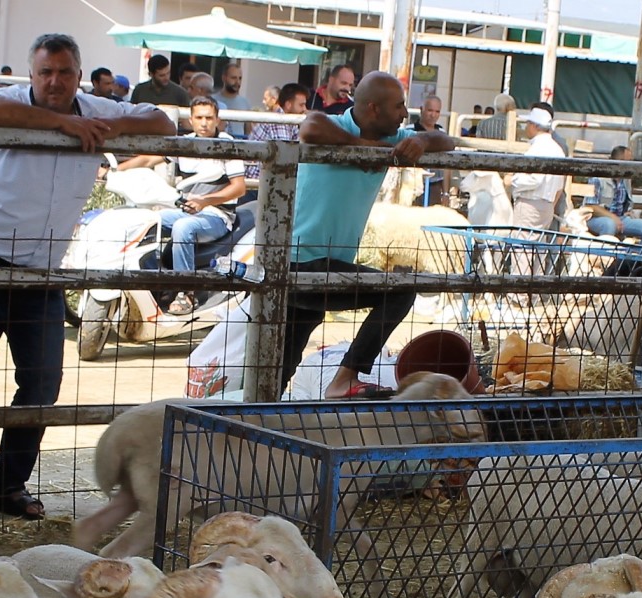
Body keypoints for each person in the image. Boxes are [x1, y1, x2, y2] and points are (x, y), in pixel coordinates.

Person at [0, 32, 169, 520]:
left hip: (43, 269)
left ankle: (10, 485)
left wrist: (100, 125)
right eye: (45, 72)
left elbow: (162, 120)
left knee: (43, 381)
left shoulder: (94, 108)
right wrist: (68, 124)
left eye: (65, 72)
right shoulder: (7, 100)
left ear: (79, 75)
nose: (54, 80)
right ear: (31, 74)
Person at [282, 71, 454, 399]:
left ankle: (255, 417)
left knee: (282, 363)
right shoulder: (335, 127)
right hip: (301, 262)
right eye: (399, 106)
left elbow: (448, 142)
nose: (405, 113)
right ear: (373, 108)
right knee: (399, 292)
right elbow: (310, 126)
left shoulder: (392, 139)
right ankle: (344, 378)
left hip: (328, 263)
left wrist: (422, 140)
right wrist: (363, 149)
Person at [152, 97, 245, 314]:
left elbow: (239, 188)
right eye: (199, 118)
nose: (204, 123)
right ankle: (148, 283)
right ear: (190, 120)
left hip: (217, 215)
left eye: (209, 118)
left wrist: (205, 201)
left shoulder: (228, 144)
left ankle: (186, 293)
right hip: (184, 211)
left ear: (217, 120)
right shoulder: (185, 143)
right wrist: (115, 168)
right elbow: (150, 158)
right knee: (149, 220)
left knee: (183, 228)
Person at [584, 145, 642, 246]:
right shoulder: (597, 178)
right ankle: (604, 258)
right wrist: (613, 217)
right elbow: (591, 206)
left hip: (621, 218)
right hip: (596, 218)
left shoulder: (626, 179)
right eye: (626, 161)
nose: (629, 165)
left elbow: (625, 202)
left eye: (631, 161)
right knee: (609, 224)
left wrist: (628, 212)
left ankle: (640, 260)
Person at [507, 106, 564, 228]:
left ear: (535, 126)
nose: (526, 127)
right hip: (547, 205)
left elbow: (535, 179)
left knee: (520, 244)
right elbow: (559, 184)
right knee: (537, 244)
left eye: (529, 123)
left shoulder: (537, 148)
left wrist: (511, 180)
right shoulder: (558, 149)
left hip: (530, 203)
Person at [246, 81, 306, 181]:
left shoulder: (291, 122)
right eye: (301, 105)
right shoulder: (279, 120)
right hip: (257, 181)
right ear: (288, 105)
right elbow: (284, 157)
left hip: (265, 180)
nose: (305, 109)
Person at [215, 62, 249, 137]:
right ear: (224, 78)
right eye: (233, 78)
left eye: (240, 78)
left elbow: (248, 132)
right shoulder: (212, 100)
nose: (237, 82)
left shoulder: (245, 102)